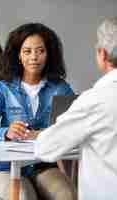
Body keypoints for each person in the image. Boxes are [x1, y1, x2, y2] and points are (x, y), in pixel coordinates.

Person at [0, 23, 76, 200]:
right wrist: (5, 132)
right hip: (7, 167)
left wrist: (45, 134)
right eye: (27, 51)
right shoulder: (3, 88)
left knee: (66, 195)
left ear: (48, 55)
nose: (34, 57)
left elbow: (73, 128)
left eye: (40, 51)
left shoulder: (61, 88)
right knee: (23, 196)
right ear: (19, 56)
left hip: (44, 165)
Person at [35, 17, 117, 200]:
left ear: (102, 54)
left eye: (40, 51)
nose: (34, 57)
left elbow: (45, 147)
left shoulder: (93, 100)